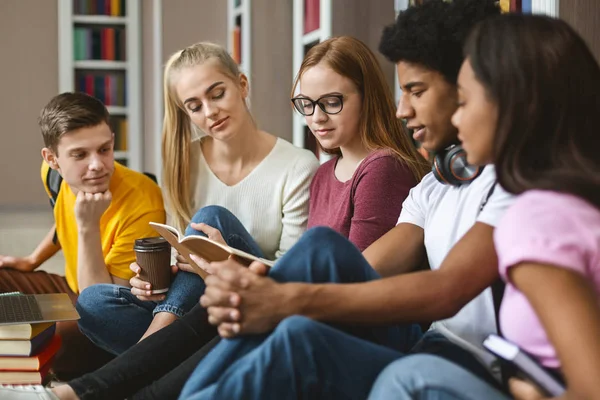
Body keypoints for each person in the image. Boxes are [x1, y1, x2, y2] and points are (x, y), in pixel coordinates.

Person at [0, 37, 429, 400]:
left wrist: (229, 269)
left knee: (214, 240)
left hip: (314, 305)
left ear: (242, 86)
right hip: (226, 294)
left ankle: (101, 383)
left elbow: (339, 272)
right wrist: (175, 270)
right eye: (306, 104)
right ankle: (102, 383)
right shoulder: (323, 173)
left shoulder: (369, 168)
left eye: (331, 102)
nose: (316, 117)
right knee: (99, 303)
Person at [173, 0, 518, 399]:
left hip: (467, 362)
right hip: (427, 345)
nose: (403, 110)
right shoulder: (435, 185)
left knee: (296, 308)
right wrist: (263, 291)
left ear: (469, 87)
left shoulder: (512, 182)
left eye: (416, 91)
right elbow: (356, 269)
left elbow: (445, 289)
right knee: (318, 254)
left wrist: (285, 297)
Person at [368, 14, 600, 400]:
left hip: (478, 365)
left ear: (513, 105)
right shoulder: (558, 201)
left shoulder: (535, 216)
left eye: (464, 101)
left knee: (411, 377)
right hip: (460, 351)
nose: (401, 111)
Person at [75, 42, 319, 355]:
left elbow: (289, 277)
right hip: (200, 314)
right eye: (194, 106)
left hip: (254, 304)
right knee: (92, 301)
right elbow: (183, 257)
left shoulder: (298, 166)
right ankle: (177, 358)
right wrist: (153, 281)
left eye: (217, 94)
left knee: (210, 219)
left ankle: (147, 356)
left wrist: (224, 262)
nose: (210, 111)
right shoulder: (184, 162)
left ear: (242, 85)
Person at [0, 92, 165, 379]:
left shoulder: (143, 202)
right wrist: (32, 259)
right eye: (80, 154)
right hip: (71, 290)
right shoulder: (53, 175)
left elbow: (104, 309)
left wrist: (88, 225)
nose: (97, 165)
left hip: (105, 316)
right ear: (52, 159)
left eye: (104, 149)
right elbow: (60, 217)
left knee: (44, 337)